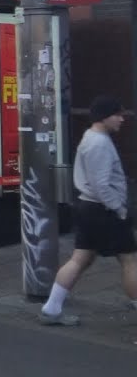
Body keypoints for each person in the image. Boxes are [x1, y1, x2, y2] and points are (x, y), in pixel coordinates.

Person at [39, 96, 137, 326]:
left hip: (89, 208)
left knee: (81, 258)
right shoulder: (99, 143)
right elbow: (101, 184)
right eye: (118, 115)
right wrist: (119, 209)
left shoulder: (92, 138)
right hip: (103, 210)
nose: (122, 119)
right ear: (105, 117)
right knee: (130, 260)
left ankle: (52, 308)